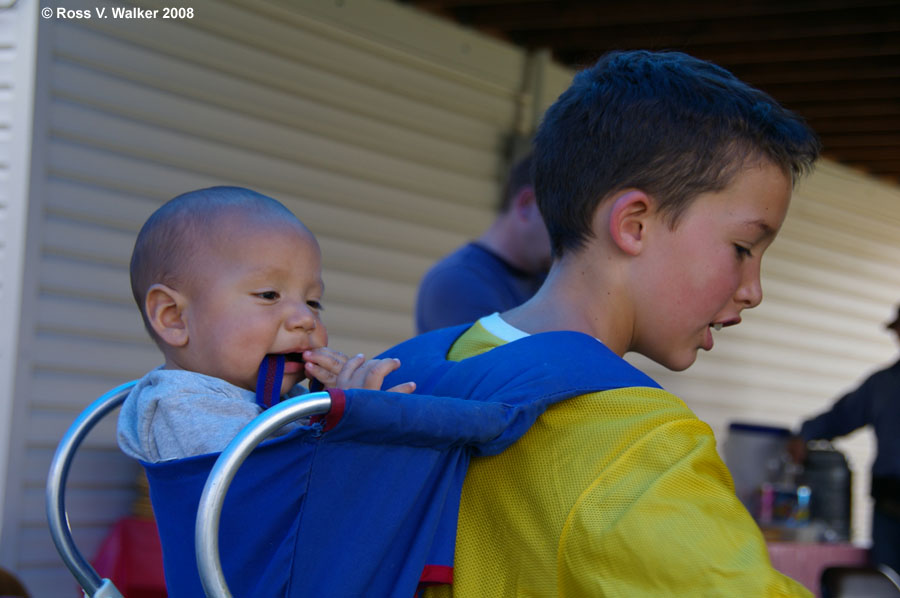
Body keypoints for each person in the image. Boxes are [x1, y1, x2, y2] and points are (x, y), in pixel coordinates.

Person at [383, 50, 821, 597]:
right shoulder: (636, 446)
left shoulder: (409, 367)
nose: (753, 290)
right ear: (633, 224)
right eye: (742, 248)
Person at [117, 186, 414, 463]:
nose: (306, 319)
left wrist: (332, 399)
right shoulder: (183, 408)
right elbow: (271, 491)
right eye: (269, 295)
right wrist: (351, 422)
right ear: (174, 317)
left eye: (313, 302)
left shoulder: (284, 398)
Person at [790, 306, 900, 575]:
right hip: (890, 510)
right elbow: (840, 417)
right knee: (885, 586)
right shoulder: (883, 384)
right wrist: (805, 434)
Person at [414, 153, 551, 333]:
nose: (574, 234)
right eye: (565, 217)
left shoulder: (543, 277)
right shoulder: (459, 282)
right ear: (526, 205)